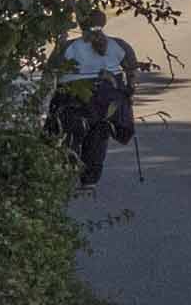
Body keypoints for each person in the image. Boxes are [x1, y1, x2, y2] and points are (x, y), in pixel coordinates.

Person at [43, 13, 139, 190]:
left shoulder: (68, 47)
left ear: (80, 25)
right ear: (104, 23)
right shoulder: (119, 45)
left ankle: (66, 173)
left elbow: (50, 72)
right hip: (108, 100)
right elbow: (131, 71)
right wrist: (129, 92)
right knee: (99, 134)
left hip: (75, 97)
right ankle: (90, 179)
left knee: (70, 134)